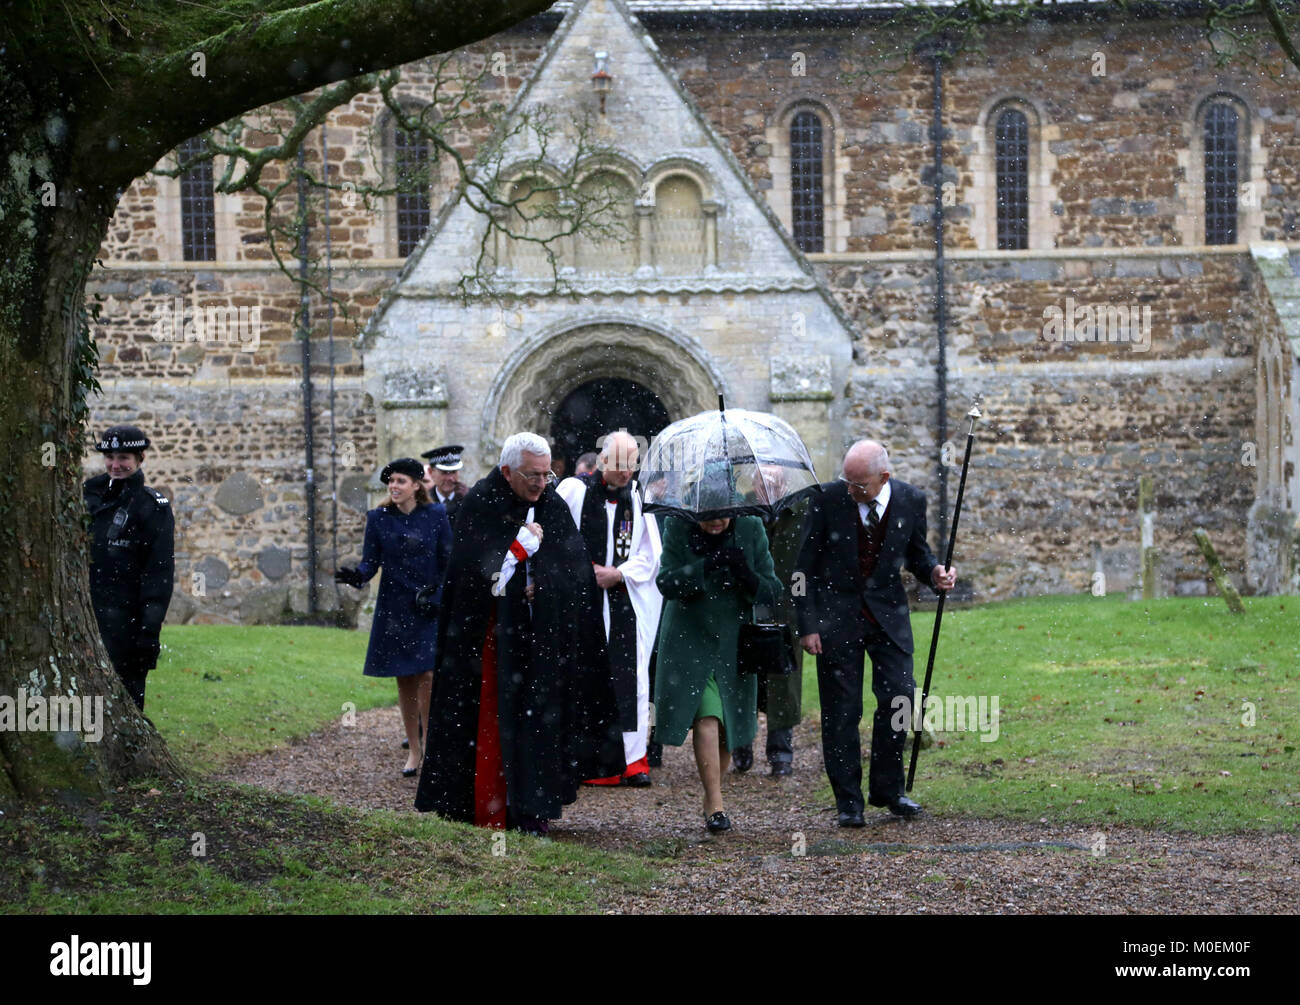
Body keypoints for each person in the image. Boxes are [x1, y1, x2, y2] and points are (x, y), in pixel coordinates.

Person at [415, 432, 623, 835]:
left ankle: (533, 809)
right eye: (532, 475)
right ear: (507, 471)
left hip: (540, 638)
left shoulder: (551, 503)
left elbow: (574, 570)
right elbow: (476, 575)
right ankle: (488, 805)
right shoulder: (481, 502)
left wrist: (542, 588)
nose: (540, 483)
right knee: (493, 720)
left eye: (547, 474)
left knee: (540, 722)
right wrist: (520, 557)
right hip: (493, 639)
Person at [794, 440, 956, 826]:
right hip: (836, 621)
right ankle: (848, 802)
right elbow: (802, 569)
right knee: (841, 713)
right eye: (846, 482)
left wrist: (935, 573)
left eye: (858, 485)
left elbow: (918, 554)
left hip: (888, 618)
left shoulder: (911, 501)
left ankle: (889, 790)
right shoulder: (827, 499)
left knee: (900, 698)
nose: (850, 491)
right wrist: (807, 624)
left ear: (884, 477)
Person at [654, 493, 781, 833]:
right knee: (706, 715)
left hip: (734, 639)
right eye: (708, 515)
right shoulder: (677, 526)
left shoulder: (752, 526)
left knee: (729, 722)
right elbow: (666, 581)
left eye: (724, 515)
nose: (716, 522)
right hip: (689, 636)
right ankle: (715, 802)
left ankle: (714, 795)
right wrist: (705, 566)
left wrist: (746, 574)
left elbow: (772, 589)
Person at [557, 431, 663, 787]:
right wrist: (583, 572)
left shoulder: (638, 496)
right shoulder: (575, 491)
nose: (624, 473)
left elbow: (651, 555)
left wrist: (618, 573)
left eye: (631, 465)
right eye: (618, 465)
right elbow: (555, 537)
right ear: (603, 461)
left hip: (621, 600)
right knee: (585, 675)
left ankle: (632, 759)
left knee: (631, 678)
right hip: (581, 600)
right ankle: (591, 760)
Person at [335, 458, 453, 776]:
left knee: (427, 674)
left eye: (401, 480)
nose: (394, 486)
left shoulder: (436, 516)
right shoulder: (378, 518)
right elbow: (370, 562)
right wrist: (355, 577)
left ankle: (432, 746)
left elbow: (447, 560)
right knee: (405, 677)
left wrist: (439, 595)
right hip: (395, 607)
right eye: (391, 481)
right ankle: (414, 751)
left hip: (428, 605)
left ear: (417, 484)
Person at [83, 425, 174, 711]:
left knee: (127, 698)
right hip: (87, 613)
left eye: (123, 457)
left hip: (127, 620)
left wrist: (149, 629)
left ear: (140, 459)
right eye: (109, 457)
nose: (115, 464)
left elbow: (158, 573)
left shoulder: (152, 507)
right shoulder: (89, 496)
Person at [729, 464, 805, 777]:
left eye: (774, 482)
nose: (769, 488)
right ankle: (741, 744)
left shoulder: (800, 510)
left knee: (783, 679)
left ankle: (780, 752)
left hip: (787, 605)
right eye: (763, 482)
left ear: (785, 483)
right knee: (745, 675)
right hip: (747, 601)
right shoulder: (741, 510)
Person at [421, 444, 469, 525]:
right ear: (430, 472)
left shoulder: (470, 497)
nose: (450, 478)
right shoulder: (423, 501)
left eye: (454, 472)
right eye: (444, 473)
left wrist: (467, 502)